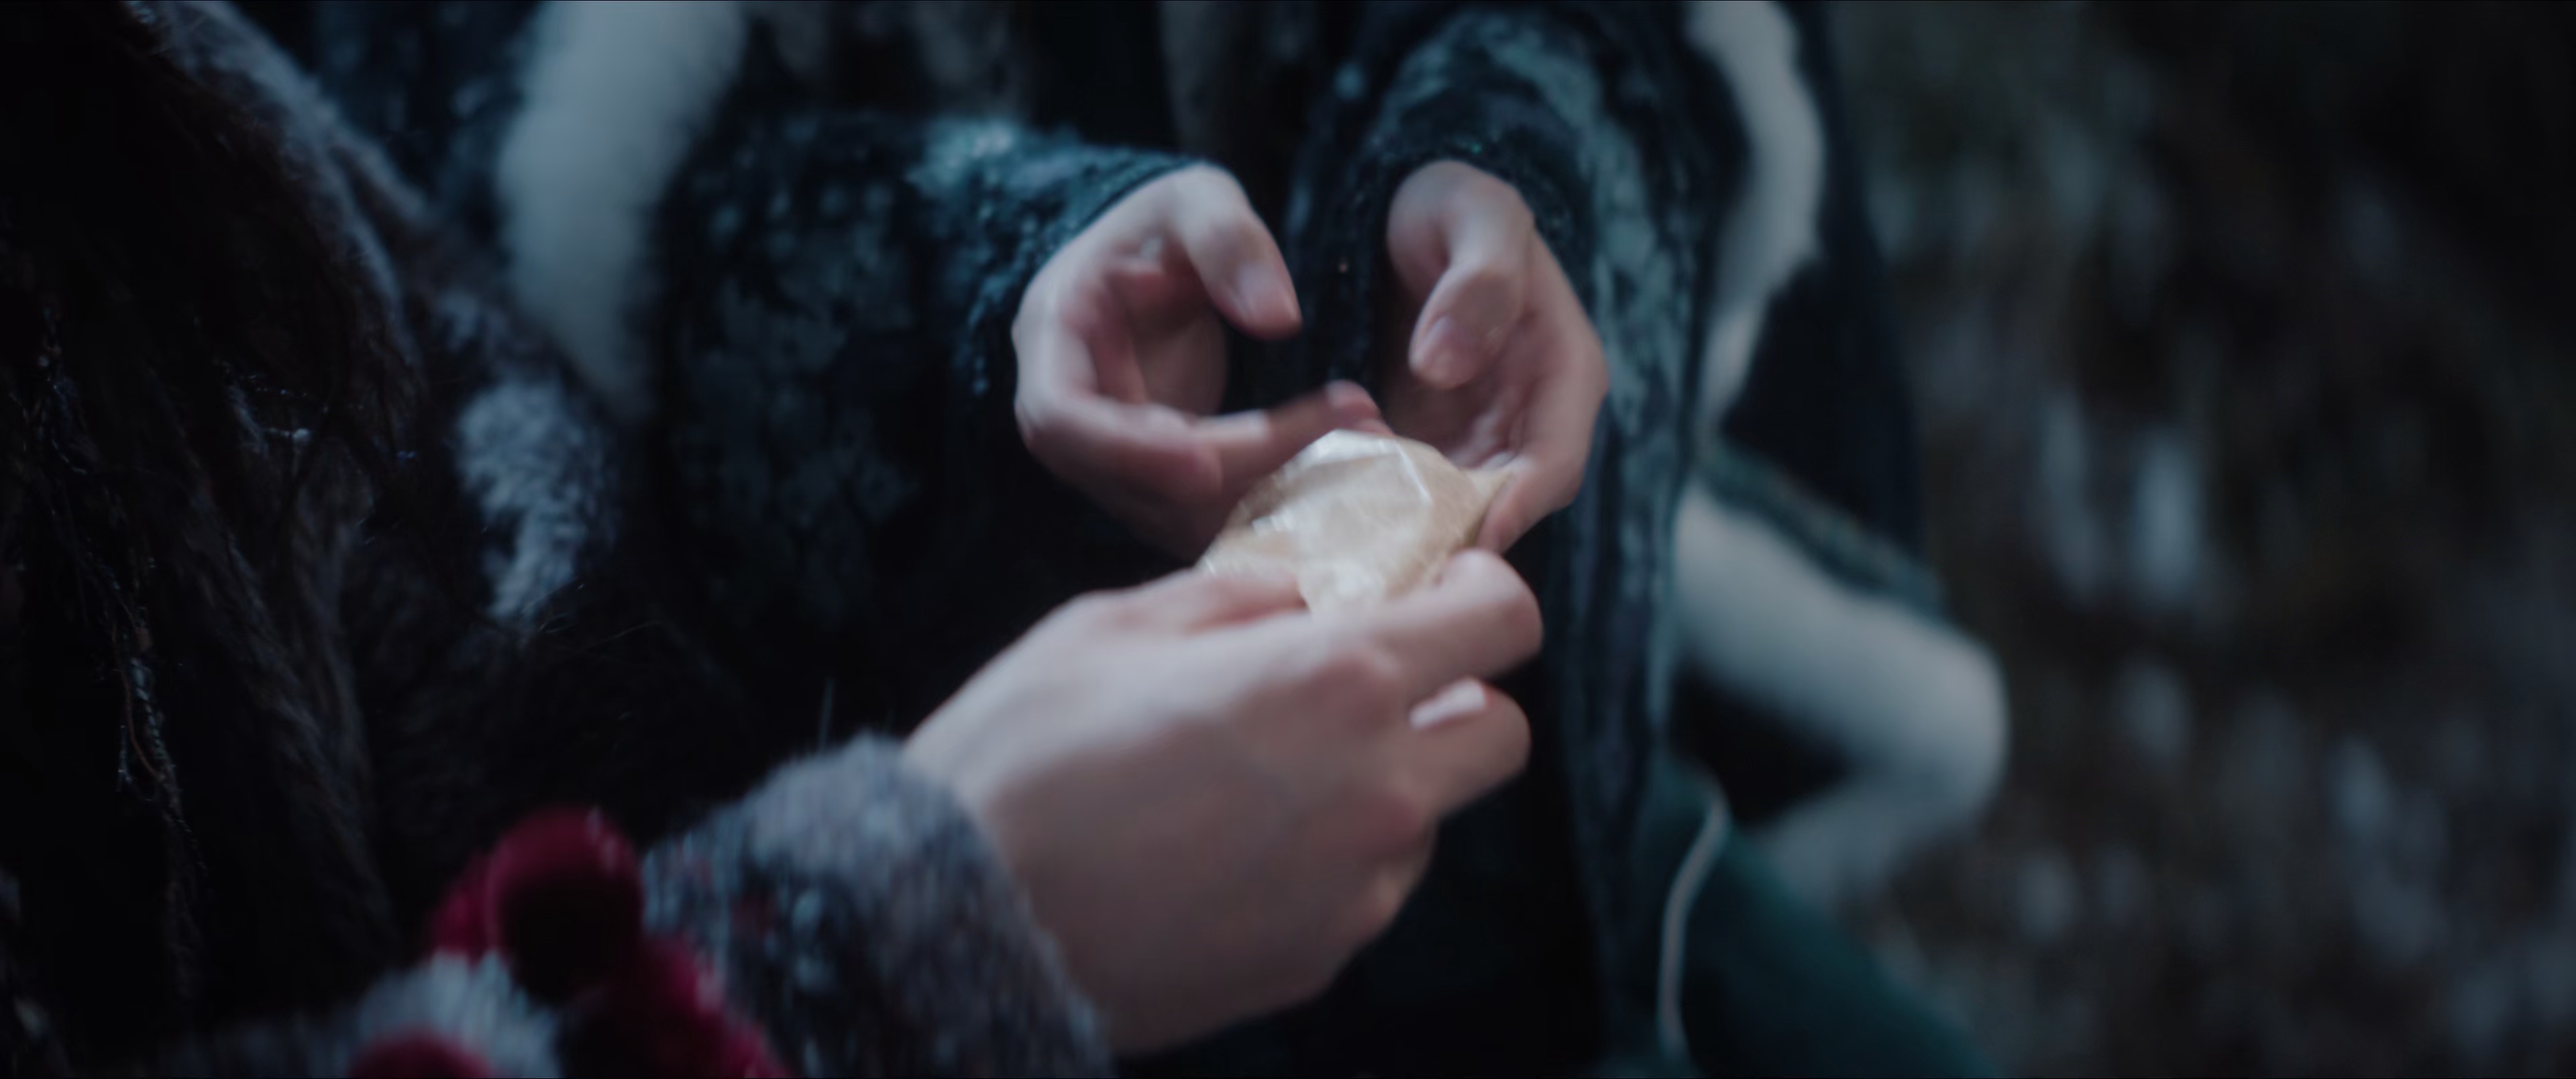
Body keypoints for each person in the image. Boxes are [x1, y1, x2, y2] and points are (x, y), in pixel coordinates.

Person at [1, 1, 2001, 1075]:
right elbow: (534, 208)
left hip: (1562, 848)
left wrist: (1500, 153)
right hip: (978, 819)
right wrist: (913, 933)